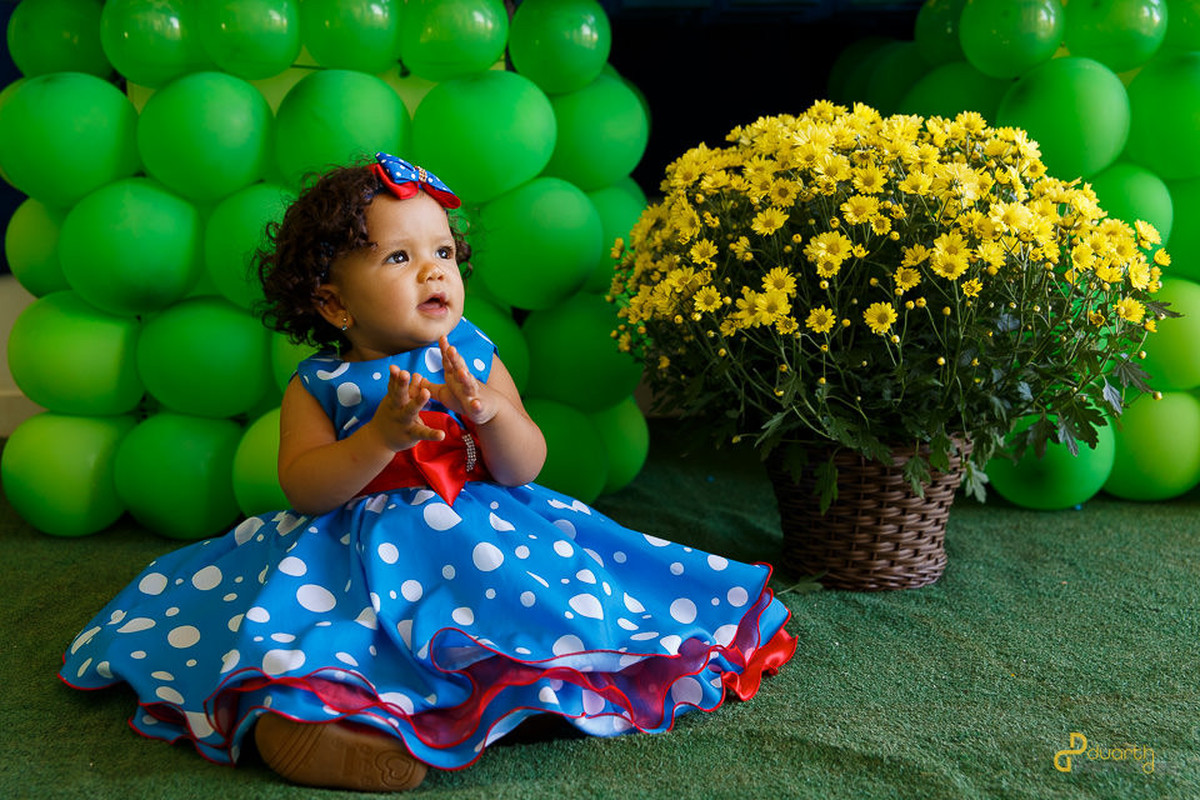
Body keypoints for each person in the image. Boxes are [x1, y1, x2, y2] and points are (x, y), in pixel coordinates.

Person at [59, 153, 797, 793]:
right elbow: (307, 489)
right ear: (332, 302)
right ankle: (322, 726)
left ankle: (508, 695)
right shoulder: (317, 385)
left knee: (529, 608)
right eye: (398, 258)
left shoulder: (471, 355)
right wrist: (379, 437)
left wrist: (489, 413)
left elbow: (523, 466)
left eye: (442, 252)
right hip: (349, 552)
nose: (433, 271)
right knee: (322, 636)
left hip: (480, 529)